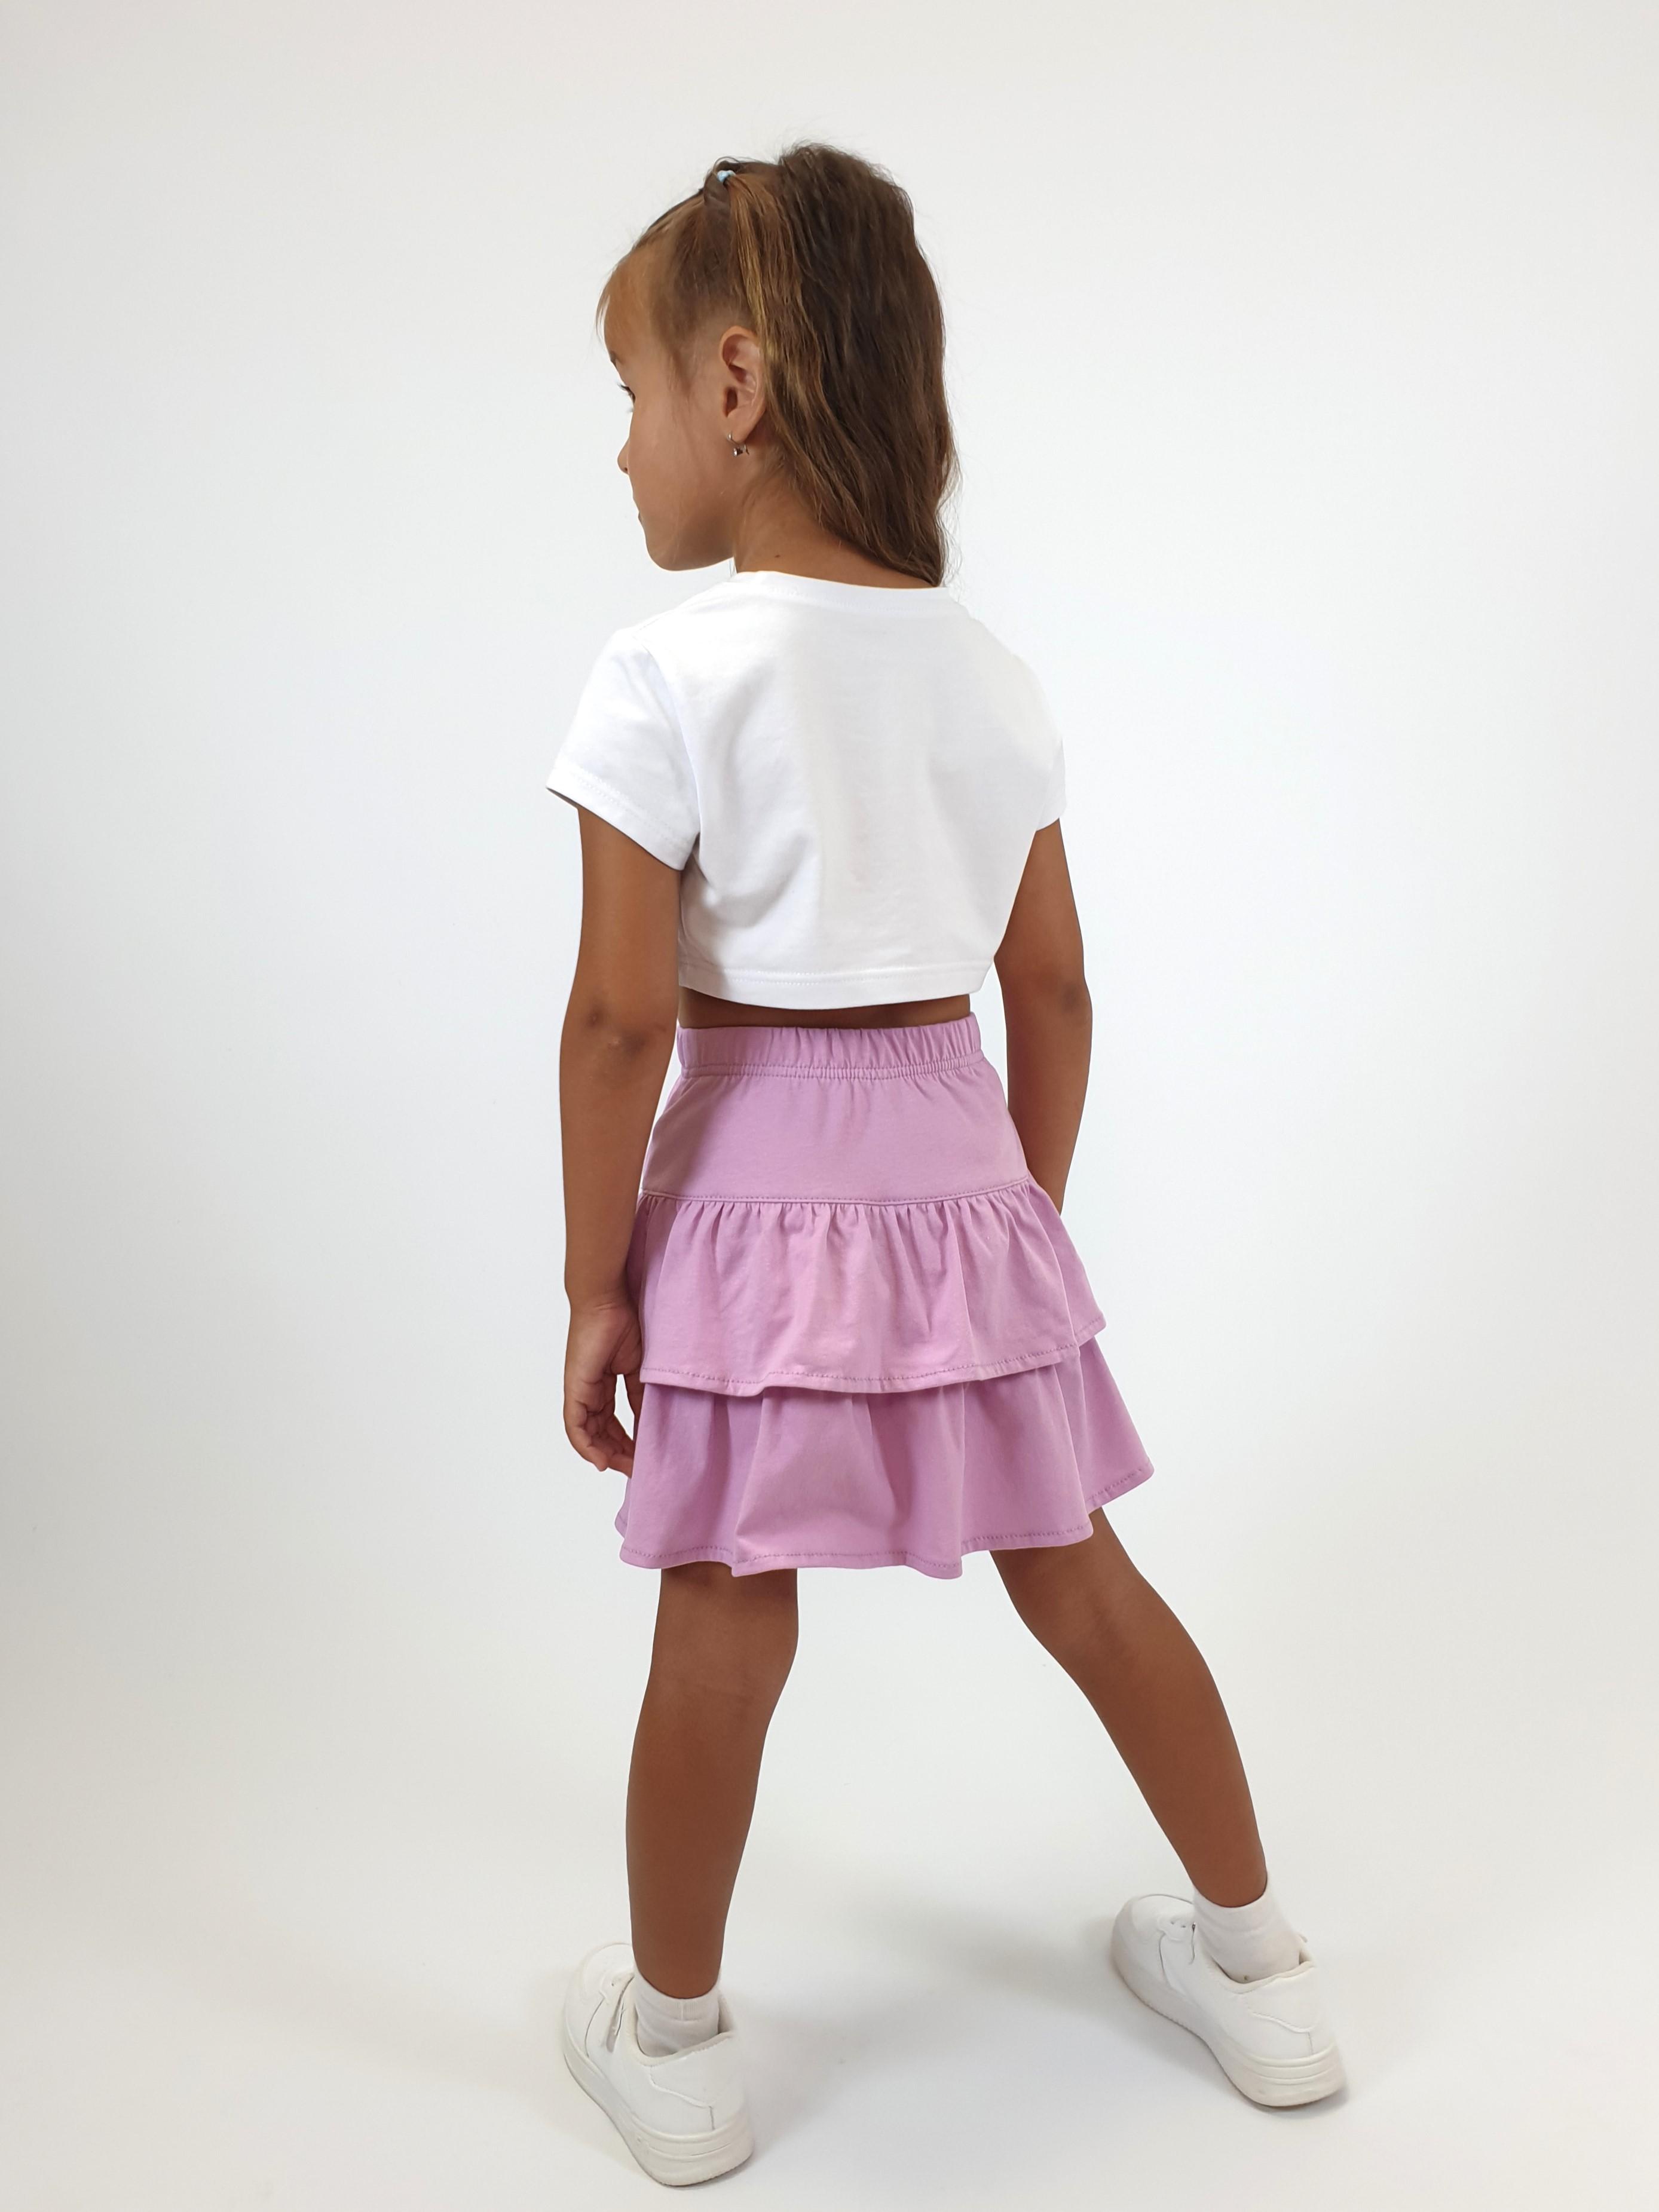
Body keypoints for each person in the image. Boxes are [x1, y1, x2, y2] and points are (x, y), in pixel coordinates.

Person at [548, 143, 1344, 2188]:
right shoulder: (988, 672)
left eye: (631, 393)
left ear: (735, 385)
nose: (620, 447)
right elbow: (1051, 989)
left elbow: (622, 1024)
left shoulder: (665, 673)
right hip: (960, 1168)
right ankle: (1261, 1966)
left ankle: (676, 2044)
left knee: (724, 1619)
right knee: (1081, 1575)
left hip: (748, 1195)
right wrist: (1017, 1227)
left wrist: (595, 1282)